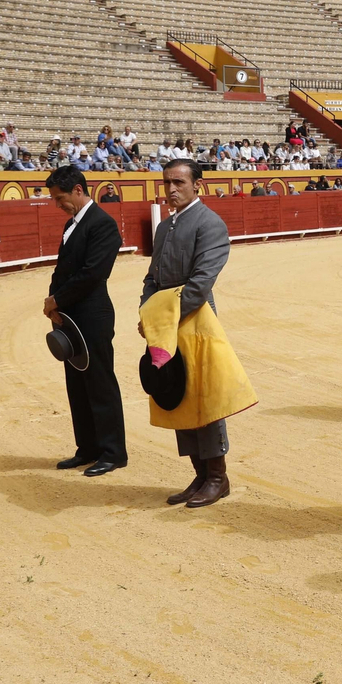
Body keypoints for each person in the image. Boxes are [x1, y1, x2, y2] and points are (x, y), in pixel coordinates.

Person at [141, 160, 238, 508]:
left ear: (198, 185)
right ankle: (200, 474)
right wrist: (146, 313)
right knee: (176, 390)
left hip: (197, 320)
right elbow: (152, 279)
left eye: (179, 182)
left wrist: (162, 318)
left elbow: (199, 284)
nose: (171, 189)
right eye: (167, 182)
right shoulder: (164, 226)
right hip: (167, 321)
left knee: (204, 395)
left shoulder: (210, 224)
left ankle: (217, 476)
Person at [43, 166, 128, 477]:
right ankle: (88, 448)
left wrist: (58, 300)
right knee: (77, 385)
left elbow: (93, 273)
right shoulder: (72, 224)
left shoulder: (102, 224)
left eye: (60, 197)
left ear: (78, 190)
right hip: (69, 315)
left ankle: (113, 452)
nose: (57, 204)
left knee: (100, 383)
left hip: (92, 315)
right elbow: (62, 270)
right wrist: (53, 303)